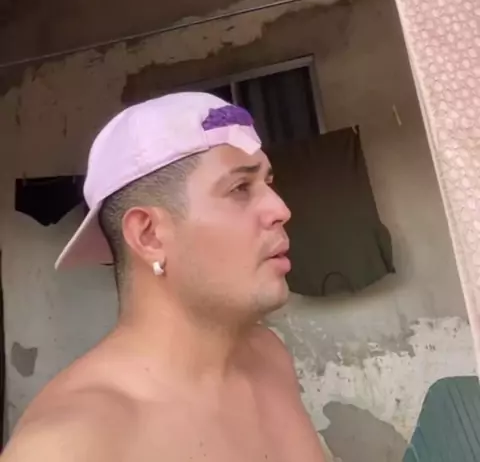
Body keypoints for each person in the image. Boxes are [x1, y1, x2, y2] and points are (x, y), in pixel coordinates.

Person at [3, 92, 328, 460]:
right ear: (149, 236)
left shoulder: (268, 356)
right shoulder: (67, 445)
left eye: (269, 183)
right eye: (240, 188)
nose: (281, 209)